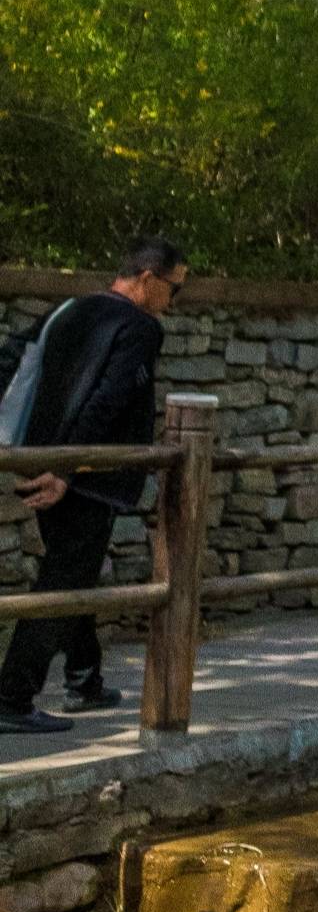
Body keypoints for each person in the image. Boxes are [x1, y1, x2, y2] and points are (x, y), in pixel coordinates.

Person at [0, 237, 189, 735]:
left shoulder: (68, 310)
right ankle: (11, 698)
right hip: (86, 474)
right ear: (149, 279)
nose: (174, 303)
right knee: (65, 578)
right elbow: (108, 398)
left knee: (73, 566)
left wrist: (34, 452)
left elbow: (10, 359)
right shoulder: (140, 326)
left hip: (40, 461)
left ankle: (85, 681)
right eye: (174, 290)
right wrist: (70, 468)